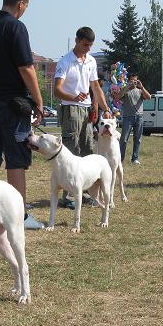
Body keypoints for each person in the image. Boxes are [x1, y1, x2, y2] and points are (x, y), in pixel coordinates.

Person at [0, 0, 44, 229]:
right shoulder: (15, 26)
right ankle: (20, 217)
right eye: (26, 7)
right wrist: (38, 101)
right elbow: (26, 67)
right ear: (21, 4)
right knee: (16, 158)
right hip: (12, 104)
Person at [54, 26, 111, 209]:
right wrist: (73, 97)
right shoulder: (65, 62)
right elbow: (57, 90)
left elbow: (96, 88)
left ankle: (85, 192)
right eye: (85, 44)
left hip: (86, 111)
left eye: (91, 45)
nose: (88, 48)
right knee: (71, 150)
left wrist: (105, 108)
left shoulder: (91, 61)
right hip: (70, 109)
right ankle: (67, 196)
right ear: (77, 40)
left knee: (87, 149)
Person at [114, 73, 151, 165]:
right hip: (127, 117)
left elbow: (149, 97)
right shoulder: (125, 89)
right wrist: (127, 87)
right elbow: (117, 97)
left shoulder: (140, 90)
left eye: (135, 81)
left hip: (139, 117)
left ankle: (135, 158)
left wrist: (141, 87)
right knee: (124, 139)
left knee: (137, 139)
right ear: (128, 80)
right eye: (132, 81)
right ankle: (120, 159)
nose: (134, 83)